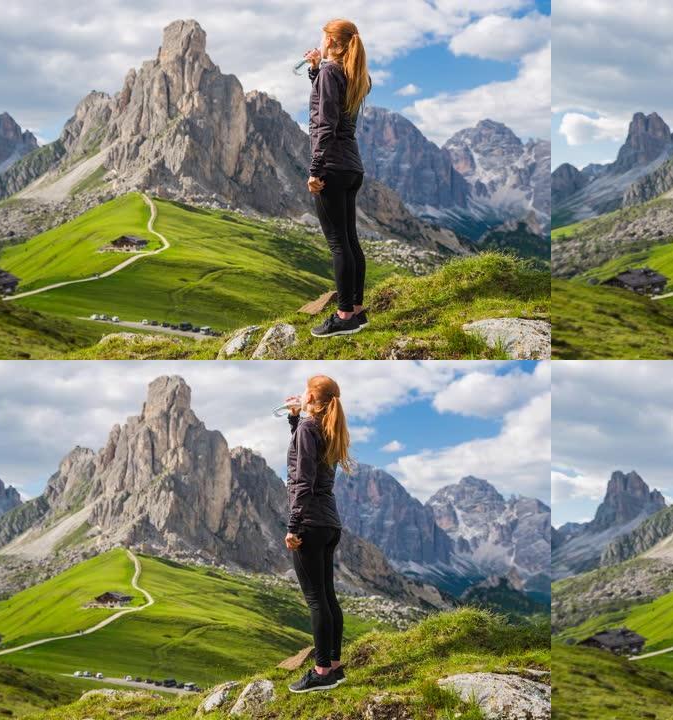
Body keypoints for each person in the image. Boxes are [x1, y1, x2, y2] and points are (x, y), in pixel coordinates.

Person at [284, 375, 355, 693]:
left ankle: (321, 671)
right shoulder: (326, 427)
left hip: (310, 523)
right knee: (327, 596)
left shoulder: (309, 428)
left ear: (312, 395)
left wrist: (293, 526)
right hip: (330, 524)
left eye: (304, 390)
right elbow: (305, 456)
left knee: (315, 600)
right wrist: (295, 419)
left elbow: (303, 479)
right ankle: (336, 667)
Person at [303, 19, 372, 338]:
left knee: (337, 243)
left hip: (331, 165)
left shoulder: (333, 72)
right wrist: (316, 69)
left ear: (335, 43)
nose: (320, 41)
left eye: (324, 38)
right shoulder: (357, 75)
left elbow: (326, 123)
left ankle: (344, 315)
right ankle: (357, 311)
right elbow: (333, 101)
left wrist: (316, 170)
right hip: (352, 166)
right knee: (349, 239)